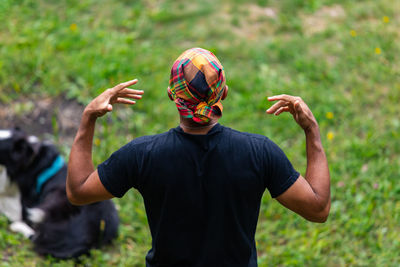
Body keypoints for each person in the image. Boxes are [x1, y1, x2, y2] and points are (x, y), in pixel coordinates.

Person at [67, 47, 330, 266]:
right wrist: (311, 131)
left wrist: (89, 116)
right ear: (223, 93)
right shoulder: (259, 152)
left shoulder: (142, 155)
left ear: (172, 94)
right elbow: (318, 209)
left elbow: (78, 191)